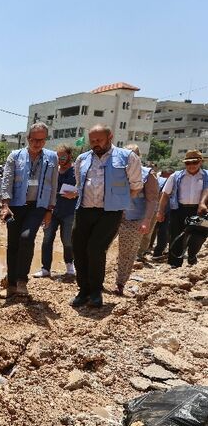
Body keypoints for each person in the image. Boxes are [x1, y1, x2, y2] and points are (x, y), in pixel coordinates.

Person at [70, 125, 143, 307]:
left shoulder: (127, 157)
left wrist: (117, 202)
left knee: (95, 248)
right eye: (92, 141)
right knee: (79, 248)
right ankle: (83, 290)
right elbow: (80, 184)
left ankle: (96, 291)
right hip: (84, 210)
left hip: (109, 212)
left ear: (110, 137)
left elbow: (135, 186)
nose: (95, 144)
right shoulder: (82, 159)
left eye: (99, 140)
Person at [0, 122, 59, 297]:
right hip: (16, 206)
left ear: (45, 140)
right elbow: (7, 181)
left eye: (41, 140)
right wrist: (5, 205)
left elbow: (54, 185)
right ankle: (11, 284)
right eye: (34, 139)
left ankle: (22, 281)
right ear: (28, 138)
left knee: (27, 238)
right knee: (13, 244)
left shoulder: (52, 158)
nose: (37, 143)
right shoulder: (15, 156)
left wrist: (50, 210)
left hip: (37, 206)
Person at [114, 145, 158, 294]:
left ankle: (120, 283)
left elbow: (152, 200)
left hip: (134, 219)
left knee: (127, 252)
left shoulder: (147, 174)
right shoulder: (117, 173)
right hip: (113, 216)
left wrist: (146, 220)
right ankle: (96, 281)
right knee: (100, 247)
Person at [156, 150, 208, 268]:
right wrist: (160, 211)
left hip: (199, 211)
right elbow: (165, 195)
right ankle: (174, 265)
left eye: (194, 162)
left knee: (199, 236)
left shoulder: (207, 176)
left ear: (200, 162)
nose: (191, 165)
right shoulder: (175, 176)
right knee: (176, 237)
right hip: (179, 210)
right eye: (188, 163)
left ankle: (192, 255)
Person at [34, 144, 77, 278]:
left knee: (68, 240)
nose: (60, 159)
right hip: (51, 211)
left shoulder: (77, 171)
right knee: (47, 239)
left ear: (70, 156)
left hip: (69, 212)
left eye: (63, 156)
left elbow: (85, 188)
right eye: (58, 157)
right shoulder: (53, 171)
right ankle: (45, 268)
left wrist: (75, 193)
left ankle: (70, 265)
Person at [149, 171, 171, 259]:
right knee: (162, 231)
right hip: (162, 210)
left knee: (155, 230)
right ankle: (157, 252)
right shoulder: (166, 181)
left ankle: (152, 250)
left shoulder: (161, 181)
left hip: (158, 209)